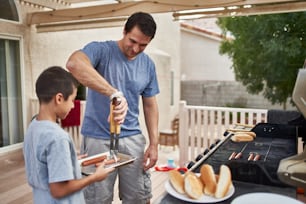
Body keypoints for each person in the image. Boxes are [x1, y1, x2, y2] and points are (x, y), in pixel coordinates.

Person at [66, 12, 159, 204]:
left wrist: (154, 143)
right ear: (124, 31)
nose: (135, 49)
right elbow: (74, 63)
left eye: (143, 45)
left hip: (132, 139)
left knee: (139, 198)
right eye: (132, 41)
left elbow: (150, 104)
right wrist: (114, 93)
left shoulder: (148, 64)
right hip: (97, 139)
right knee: (96, 199)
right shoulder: (101, 50)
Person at [23, 66, 114, 204]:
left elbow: (43, 164)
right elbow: (58, 190)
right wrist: (94, 177)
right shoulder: (57, 137)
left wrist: (69, 159)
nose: (73, 106)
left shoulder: (33, 126)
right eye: (72, 100)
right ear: (59, 98)